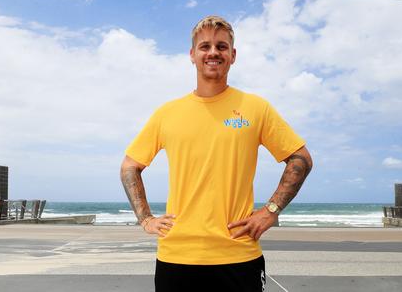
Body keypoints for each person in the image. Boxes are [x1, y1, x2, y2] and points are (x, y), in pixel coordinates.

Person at [120, 15, 312, 292]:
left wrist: (270, 211)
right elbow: (130, 166)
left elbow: (300, 158)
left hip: (238, 255)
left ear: (233, 56)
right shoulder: (167, 113)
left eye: (221, 47)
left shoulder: (255, 108)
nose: (213, 52)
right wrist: (146, 219)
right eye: (205, 46)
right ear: (192, 55)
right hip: (177, 256)